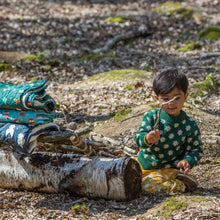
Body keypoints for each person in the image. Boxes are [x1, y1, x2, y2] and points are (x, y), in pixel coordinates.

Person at [134, 69, 203, 193]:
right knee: (121, 176)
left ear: (186, 96)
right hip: (141, 164)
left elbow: (195, 149)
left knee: (144, 187)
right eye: (165, 99)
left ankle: (182, 184)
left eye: (176, 98)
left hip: (167, 169)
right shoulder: (151, 117)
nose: (171, 103)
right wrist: (147, 139)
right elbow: (138, 138)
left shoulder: (189, 125)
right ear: (157, 99)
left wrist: (187, 161)